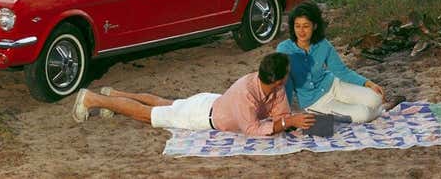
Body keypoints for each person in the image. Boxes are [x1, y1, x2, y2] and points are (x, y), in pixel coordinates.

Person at [72, 52, 316, 136]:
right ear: (277, 78)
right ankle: (93, 98)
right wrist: (286, 122)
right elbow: (252, 130)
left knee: (166, 103)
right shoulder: (246, 92)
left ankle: (113, 93)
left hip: (211, 102)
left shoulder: (276, 88)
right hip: (201, 116)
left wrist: (295, 122)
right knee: (151, 115)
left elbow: (281, 115)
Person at [277, 1, 405, 123]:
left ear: (314, 26)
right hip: (315, 102)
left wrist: (368, 83)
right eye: (297, 26)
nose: (301, 31)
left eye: (306, 26)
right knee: (363, 114)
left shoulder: (323, 44)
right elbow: (285, 82)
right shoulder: (284, 49)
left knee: (375, 98)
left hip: (334, 85)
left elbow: (341, 71)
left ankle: (374, 107)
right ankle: (381, 110)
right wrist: (284, 114)